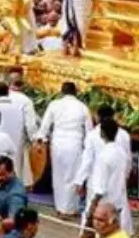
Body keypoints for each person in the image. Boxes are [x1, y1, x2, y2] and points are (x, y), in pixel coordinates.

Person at [35, 82, 92, 218]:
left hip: (58, 143)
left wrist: (40, 139)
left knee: (58, 175)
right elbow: (89, 129)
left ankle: (60, 208)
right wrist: (89, 147)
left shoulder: (54, 105)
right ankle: (70, 209)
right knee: (73, 176)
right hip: (74, 143)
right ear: (76, 92)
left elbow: (45, 125)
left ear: (62, 91)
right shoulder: (82, 107)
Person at [0, 156, 26, 221]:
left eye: (1, 174)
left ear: (11, 172)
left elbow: (12, 221)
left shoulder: (15, 195)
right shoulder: (5, 183)